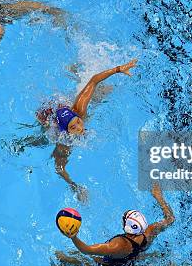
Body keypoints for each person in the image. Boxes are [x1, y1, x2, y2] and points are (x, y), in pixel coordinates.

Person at [35, 59, 137, 201]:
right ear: (66, 131)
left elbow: (94, 80)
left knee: (105, 90)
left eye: (77, 122)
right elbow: (59, 168)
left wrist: (119, 69)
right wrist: (74, 186)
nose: (80, 128)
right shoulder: (63, 143)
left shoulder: (79, 109)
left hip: (64, 108)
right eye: (73, 127)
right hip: (48, 116)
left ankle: (74, 70)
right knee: (43, 138)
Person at [56, 183, 175, 266]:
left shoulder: (118, 245)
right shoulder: (150, 231)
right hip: (133, 260)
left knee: (67, 257)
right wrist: (159, 197)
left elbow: (86, 250)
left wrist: (73, 237)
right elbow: (170, 219)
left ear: (127, 227)